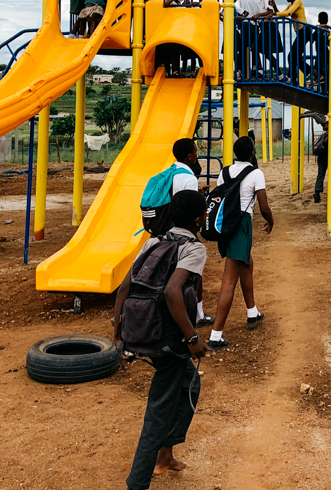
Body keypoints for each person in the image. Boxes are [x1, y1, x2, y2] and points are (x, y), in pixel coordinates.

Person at [115, 189, 209, 489]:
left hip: (143, 329)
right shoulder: (193, 248)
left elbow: (123, 289)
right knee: (158, 411)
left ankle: (165, 455)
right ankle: (137, 482)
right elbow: (172, 292)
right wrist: (192, 338)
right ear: (199, 219)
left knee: (190, 384)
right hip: (169, 338)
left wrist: (119, 334)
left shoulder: (154, 240)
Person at [208, 137, 274, 351]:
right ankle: (215, 335)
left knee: (247, 264)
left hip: (227, 224)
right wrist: (270, 221)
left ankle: (252, 312)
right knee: (229, 281)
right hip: (242, 225)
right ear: (252, 152)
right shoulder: (256, 173)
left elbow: (220, 198)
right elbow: (263, 206)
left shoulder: (224, 172)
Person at [140, 139, 202, 238]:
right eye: (195, 152)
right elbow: (190, 209)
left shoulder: (169, 173)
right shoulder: (189, 178)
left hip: (162, 223)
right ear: (189, 156)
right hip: (179, 230)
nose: (196, 155)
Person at [274, 0, 309, 80]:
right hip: (300, 32)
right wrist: (274, 7)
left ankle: (293, 77)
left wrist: (274, 14)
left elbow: (288, 13)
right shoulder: (290, 5)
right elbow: (282, 13)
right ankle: (311, 73)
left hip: (305, 30)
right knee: (294, 56)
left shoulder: (298, 2)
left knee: (292, 56)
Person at [308, 114, 328, 204]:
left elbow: (314, 114)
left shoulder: (324, 135)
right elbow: (314, 114)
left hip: (321, 156)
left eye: (323, 125)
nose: (322, 126)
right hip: (329, 156)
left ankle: (317, 192)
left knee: (320, 175)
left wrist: (304, 115)